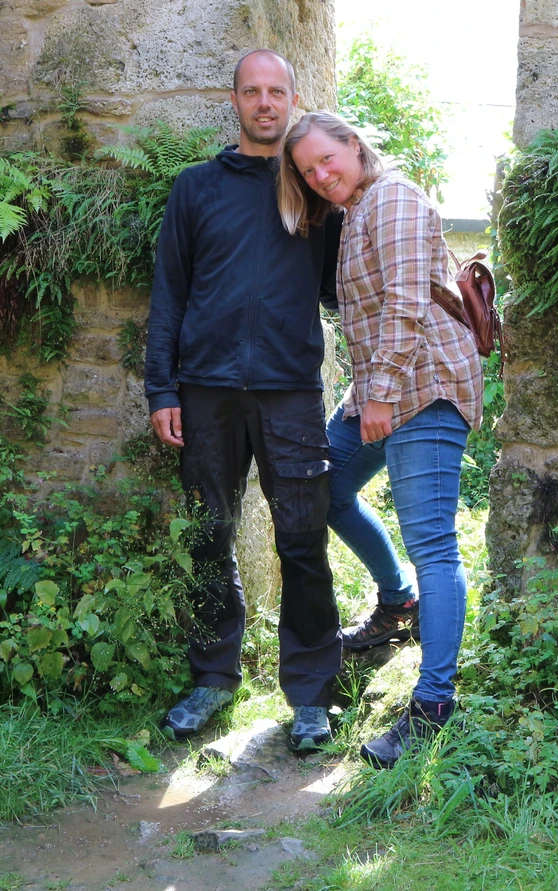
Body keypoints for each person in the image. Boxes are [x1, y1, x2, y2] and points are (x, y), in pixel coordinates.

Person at [145, 50, 343, 751]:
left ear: (293, 99)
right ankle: (212, 677)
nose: (265, 102)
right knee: (208, 533)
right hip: (205, 391)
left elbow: (344, 289)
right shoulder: (195, 189)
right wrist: (162, 387)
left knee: (303, 540)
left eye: (277, 91)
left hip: (291, 392)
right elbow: (169, 294)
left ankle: (313, 695)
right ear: (233, 100)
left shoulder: (316, 192)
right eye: (252, 91)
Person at [280, 111, 483, 768]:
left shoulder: (392, 196)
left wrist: (383, 395)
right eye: (308, 172)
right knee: (328, 488)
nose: (320, 176)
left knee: (434, 542)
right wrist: (363, 397)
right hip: (383, 391)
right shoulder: (359, 208)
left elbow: (404, 305)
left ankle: (432, 703)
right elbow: (369, 321)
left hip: (423, 390)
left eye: (325, 160)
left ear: (354, 144)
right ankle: (398, 601)